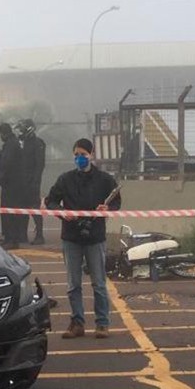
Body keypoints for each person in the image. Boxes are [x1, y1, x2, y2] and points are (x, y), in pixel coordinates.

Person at [44, 138, 121, 339]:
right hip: (71, 237)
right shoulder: (65, 179)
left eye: (83, 155)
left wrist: (107, 208)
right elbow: (50, 201)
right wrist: (62, 212)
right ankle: (77, 322)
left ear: (91, 155)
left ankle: (102, 324)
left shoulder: (104, 179)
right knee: (73, 284)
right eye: (76, 155)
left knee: (99, 283)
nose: (80, 158)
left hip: (95, 237)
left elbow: (116, 203)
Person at [15, 119, 46, 245]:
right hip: (20, 181)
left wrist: (35, 181)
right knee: (22, 209)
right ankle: (22, 235)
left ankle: (39, 235)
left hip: (32, 181)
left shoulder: (37, 143)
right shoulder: (20, 143)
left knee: (34, 209)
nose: (20, 132)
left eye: (22, 129)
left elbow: (40, 164)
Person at [0, 122, 24, 249]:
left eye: (1, 134)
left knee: (10, 212)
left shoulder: (11, 144)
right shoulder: (10, 143)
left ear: (4, 133)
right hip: (10, 183)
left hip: (13, 184)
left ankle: (12, 239)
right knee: (6, 211)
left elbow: (7, 163)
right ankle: (9, 238)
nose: (0, 136)